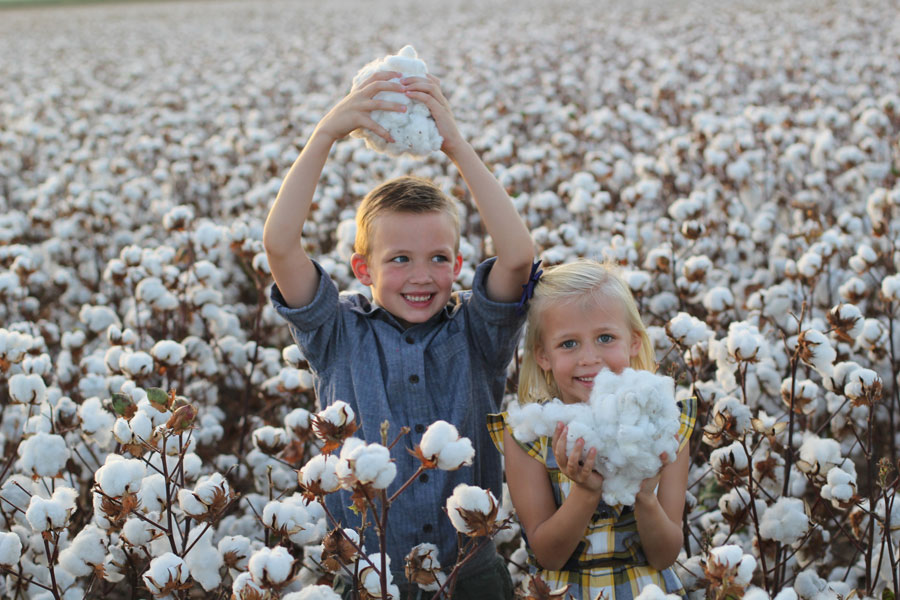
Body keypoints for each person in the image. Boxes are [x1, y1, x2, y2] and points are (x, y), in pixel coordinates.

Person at [263, 69, 534, 598]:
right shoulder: (336, 332)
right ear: (362, 270)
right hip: (368, 574)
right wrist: (325, 134)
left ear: (458, 263)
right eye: (400, 259)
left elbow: (520, 256)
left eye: (437, 258)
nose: (421, 275)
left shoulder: (478, 333)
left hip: (470, 574)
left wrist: (454, 144)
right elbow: (279, 245)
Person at [488, 261, 696, 599]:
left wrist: (644, 495)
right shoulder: (529, 436)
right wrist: (585, 492)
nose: (589, 358)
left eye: (605, 338)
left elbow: (665, 554)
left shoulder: (664, 425)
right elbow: (547, 555)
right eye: (569, 344)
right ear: (542, 356)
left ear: (633, 342)